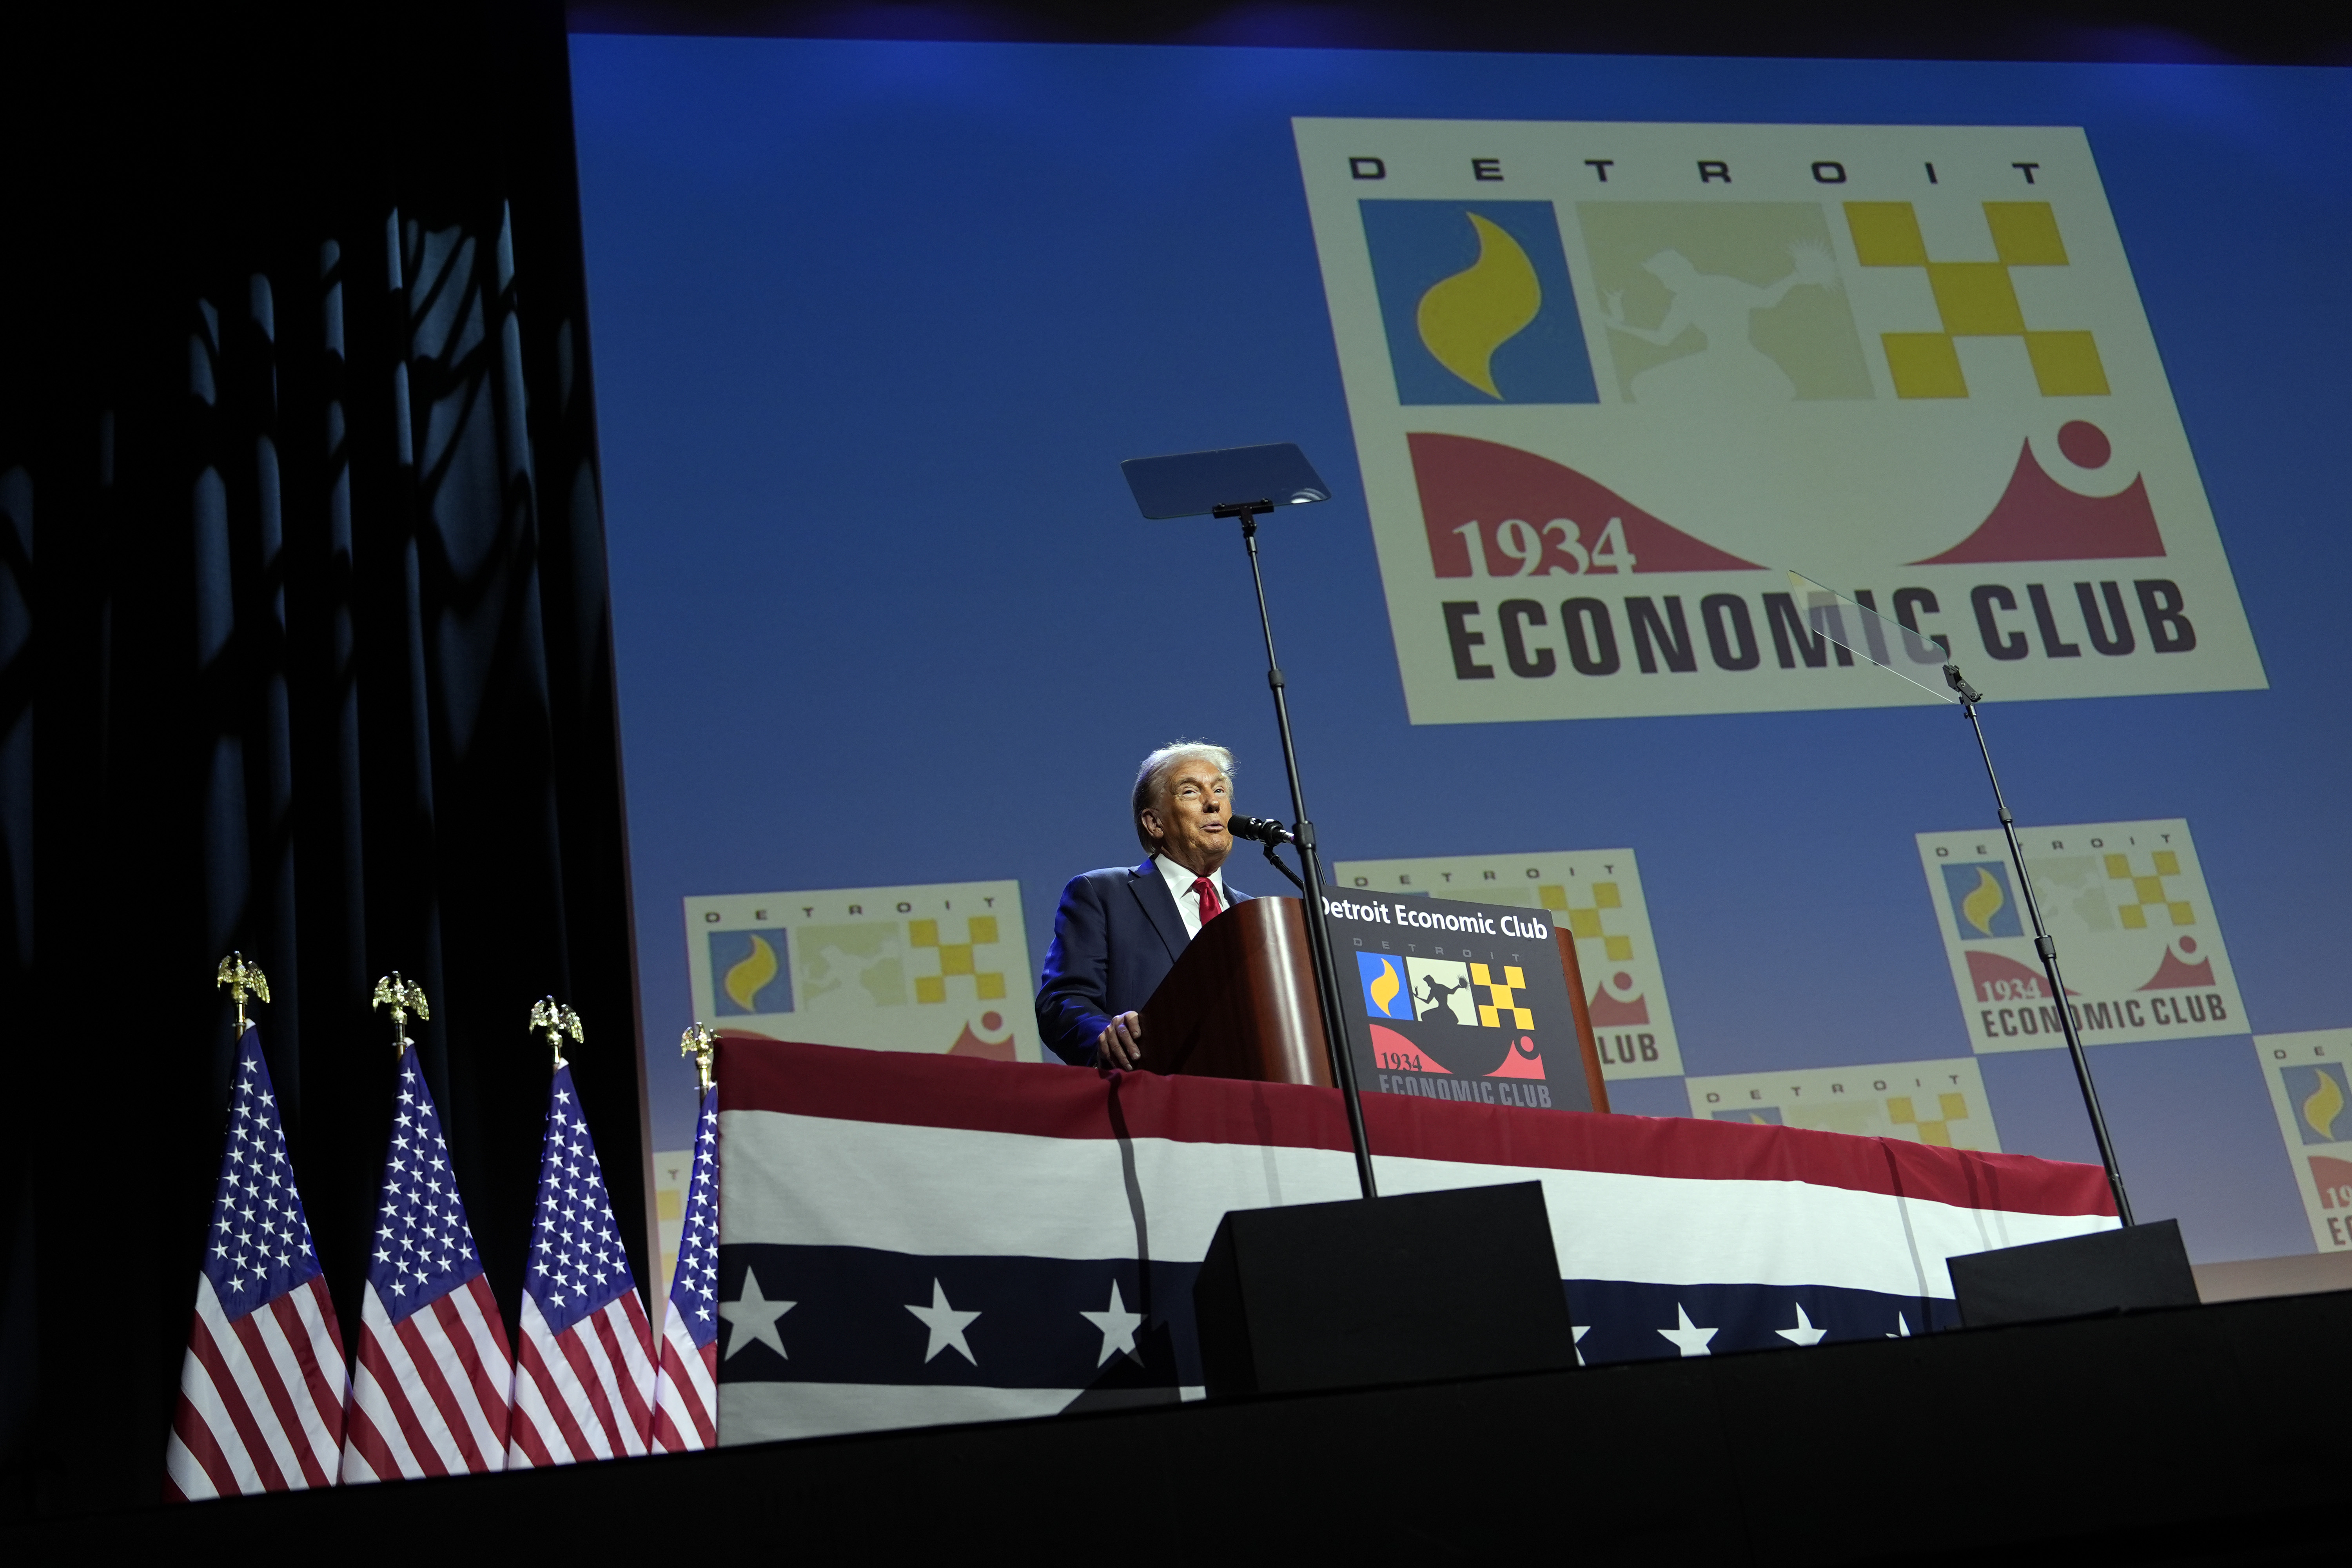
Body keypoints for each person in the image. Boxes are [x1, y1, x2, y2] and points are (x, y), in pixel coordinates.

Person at [1035, 741, 1253, 1067]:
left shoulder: (1253, 915)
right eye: (1191, 792)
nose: (1213, 804)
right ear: (1155, 823)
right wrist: (1107, 1036)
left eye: (1220, 790)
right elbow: (1063, 1001)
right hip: (1154, 1091)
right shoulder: (1102, 893)